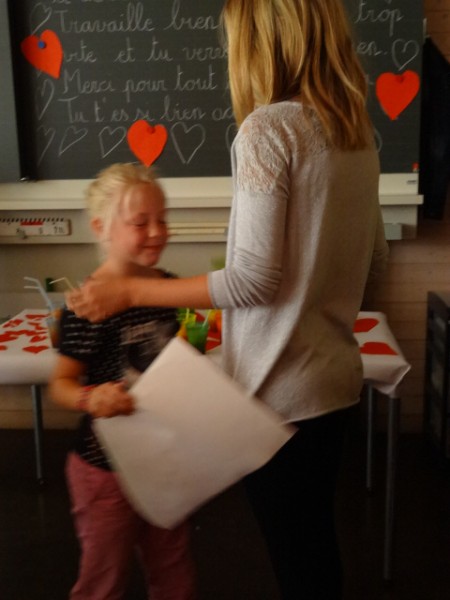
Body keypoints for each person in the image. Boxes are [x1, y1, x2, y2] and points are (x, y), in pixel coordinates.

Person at [66, 1, 389, 598]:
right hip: (335, 382)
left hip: (280, 394)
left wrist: (130, 289)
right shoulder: (357, 134)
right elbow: (375, 264)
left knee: (297, 555)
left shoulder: (269, 130)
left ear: (261, 43)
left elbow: (250, 281)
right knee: (314, 550)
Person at [49, 163, 197, 600]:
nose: (157, 232)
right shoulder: (89, 303)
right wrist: (92, 397)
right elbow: (60, 384)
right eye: (140, 222)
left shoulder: (169, 289)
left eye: (162, 219)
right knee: (104, 576)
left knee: (173, 567)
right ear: (102, 228)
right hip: (104, 468)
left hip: (161, 457)